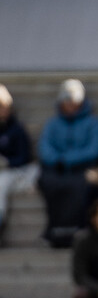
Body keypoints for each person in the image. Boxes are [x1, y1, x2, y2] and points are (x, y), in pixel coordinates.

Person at [38, 79, 98, 248]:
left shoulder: (93, 123)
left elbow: (95, 149)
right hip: (56, 169)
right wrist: (58, 160)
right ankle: (55, 229)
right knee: (50, 183)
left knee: (81, 185)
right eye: (67, 101)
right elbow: (44, 148)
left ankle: (77, 229)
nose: (70, 105)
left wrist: (68, 159)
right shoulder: (52, 124)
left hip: (83, 168)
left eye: (74, 101)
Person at [0, 84, 38, 245]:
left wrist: (6, 162)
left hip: (14, 172)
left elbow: (24, 157)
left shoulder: (17, 129)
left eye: (2, 106)